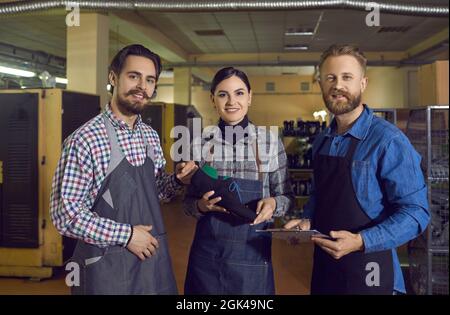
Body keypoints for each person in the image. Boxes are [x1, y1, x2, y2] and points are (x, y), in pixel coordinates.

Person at [50, 44, 197, 294]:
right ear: (113, 77)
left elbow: (156, 192)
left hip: (152, 267)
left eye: (150, 80)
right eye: (134, 76)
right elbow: (66, 215)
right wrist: (127, 235)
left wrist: (179, 180)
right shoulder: (86, 139)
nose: (142, 86)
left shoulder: (150, 136)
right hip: (105, 270)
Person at [284, 44, 429, 295]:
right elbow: (322, 196)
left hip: (372, 271)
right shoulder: (322, 141)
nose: (337, 85)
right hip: (327, 270)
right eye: (330, 78)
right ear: (320, 83)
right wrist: (308, 220)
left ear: (363, 83)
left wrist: (362, 241)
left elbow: (417, 213)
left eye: (346, 77)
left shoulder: (387, 140)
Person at [183, 67, 295, 294]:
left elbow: (288, 199)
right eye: (223, 94)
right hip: (207, 260)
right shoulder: (200, 143)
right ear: (212, 99)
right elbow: (187, 203)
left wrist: (274, 203)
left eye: (239, 93)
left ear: (250, 97)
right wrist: (201, 206)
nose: (231, 101)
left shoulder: (270, 143)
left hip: (252, 258)